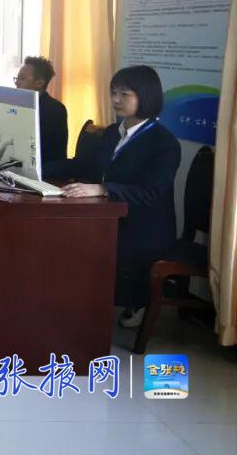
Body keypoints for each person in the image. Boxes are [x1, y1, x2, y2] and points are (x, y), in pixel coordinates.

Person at [53, 65, 180, 329]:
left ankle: (129, 302)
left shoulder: (164, 143)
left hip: (143, 226)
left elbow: (152, 192)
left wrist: (104, 189)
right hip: (109, 215)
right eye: (113, 92)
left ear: (146, 96)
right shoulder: (113, 132)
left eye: (125, 94)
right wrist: (36, 165)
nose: (116, 99)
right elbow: (84, 165)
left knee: (84, 249)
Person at [14, 56, 68, 168]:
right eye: (17, 78)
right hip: (20, 165)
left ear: (39, 83)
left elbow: (40, 148)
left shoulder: (54, 109)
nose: (17, 83)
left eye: (22, 78)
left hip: (44, 169)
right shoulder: (18, 104)